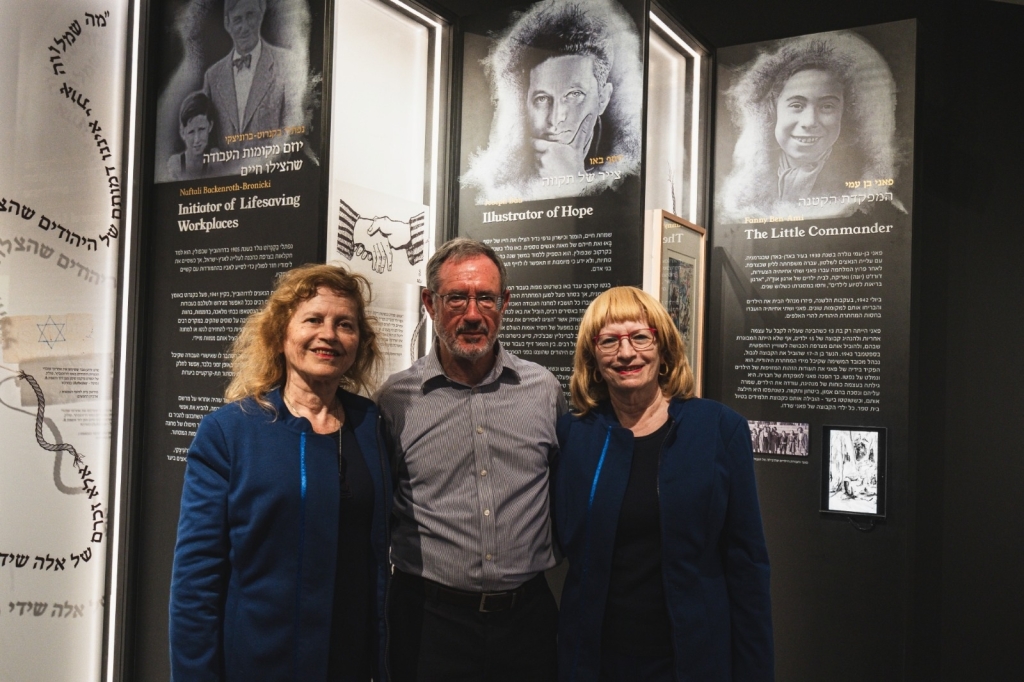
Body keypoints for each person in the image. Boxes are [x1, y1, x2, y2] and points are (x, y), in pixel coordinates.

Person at [169, 264, 392, 681]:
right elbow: (196, 580)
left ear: (359, 342)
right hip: (260, 663)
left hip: (352, 664)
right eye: (313, 320)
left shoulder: (371, 424)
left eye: (345, 324)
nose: (329, 334)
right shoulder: (230, 432)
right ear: (280, 334)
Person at [554, 286, 774, 681]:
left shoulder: (718, 430)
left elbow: (747, 564)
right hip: (596, 661)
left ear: (664, 347)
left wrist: (755, 671)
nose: (626, 353)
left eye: (640, 337)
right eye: (609, 341)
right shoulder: (574, 435)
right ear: (592, 357)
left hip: (692, 660)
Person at [375, 238, 567, 682]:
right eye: (457, 298)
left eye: (486, 298)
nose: (474, 314)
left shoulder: (542, 390)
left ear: (505, 303)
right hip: (428, 624)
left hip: (528, 622)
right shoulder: (395, 400)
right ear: (430, 303)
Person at [461, 0, 643, 202]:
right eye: (542, 98)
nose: (555, 119)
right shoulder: (497, 179)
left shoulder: (629, 181)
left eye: (574, 95)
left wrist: (572, 181)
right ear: (524, 102)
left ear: (603, 98)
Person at [717, 33, 899, 221]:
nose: (810, 121)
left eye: (827, 106)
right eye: (797, 105)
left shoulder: (868, 197)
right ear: (772, 110)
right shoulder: (744, 186)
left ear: (845, 114)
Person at [202, 0, 300, 145]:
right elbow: (205, 136)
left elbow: (293, 131)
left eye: (250, 15)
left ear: (261, 15)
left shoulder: (287, 64)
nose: (245, 27)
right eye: (237, 19)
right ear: (227, 23)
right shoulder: (212, 77)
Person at [166, 91, 221, 181]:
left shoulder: (214, 157)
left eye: (201, 129)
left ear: (210, 126)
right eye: (191, 132)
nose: (197, 140)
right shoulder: (176, 163)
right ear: (182, 132)